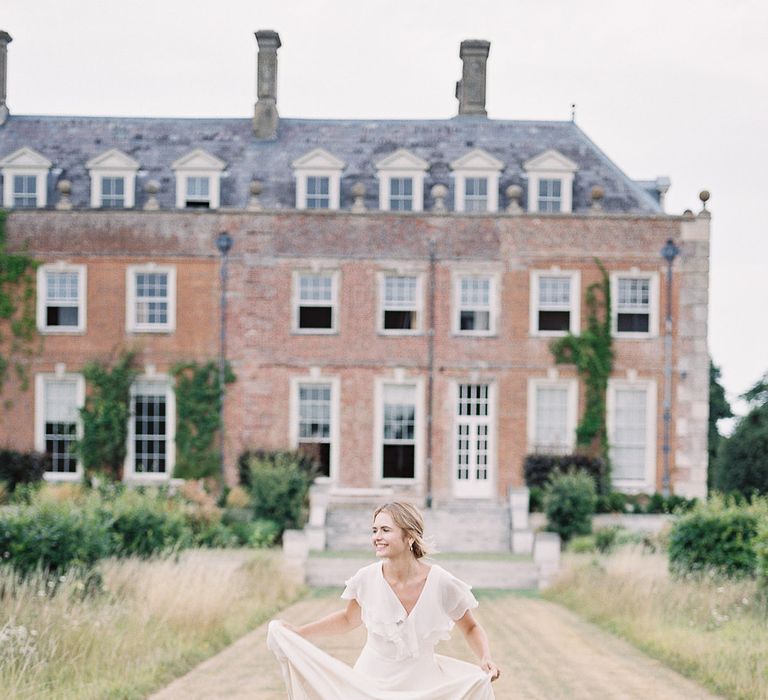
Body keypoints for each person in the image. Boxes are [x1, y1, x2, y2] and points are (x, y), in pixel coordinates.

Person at [267, 501, 500, 699]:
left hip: (423, 684)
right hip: (370, 682)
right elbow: (348, 619)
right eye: (374, 530)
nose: (377, 537)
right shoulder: (366, 578)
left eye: (385, 530)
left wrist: (485, 657)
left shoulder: (441, 583)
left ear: (409, 537)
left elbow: (470, 627)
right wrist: (300, 632)